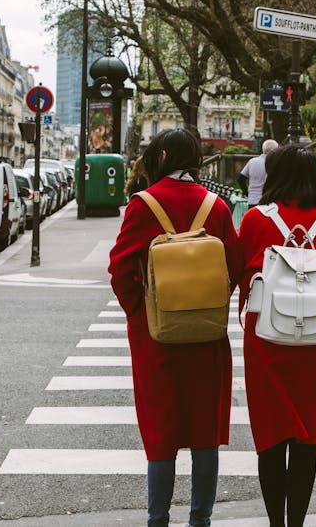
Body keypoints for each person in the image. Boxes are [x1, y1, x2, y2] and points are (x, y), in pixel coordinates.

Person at [108, 128, 243, 527]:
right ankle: (200, 519)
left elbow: (119, 270)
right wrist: (208, 304)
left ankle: (158, 519)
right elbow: (234, 264)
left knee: (161, 429)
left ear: (162, 154)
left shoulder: (143, 205)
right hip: (206, 333)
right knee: (205, 430)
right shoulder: (215, 206)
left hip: (156, 337)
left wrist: (142, 312)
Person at [237, 144, 316, 527]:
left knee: (271, 433)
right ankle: (296, 524)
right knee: (307, 434)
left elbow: (242, 275)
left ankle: (275, 523)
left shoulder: (256, 218)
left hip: (266, 339)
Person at [237, 139, 278, 206]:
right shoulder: (275, 164)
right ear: (274, 151)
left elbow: (240, 179)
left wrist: (248, 193)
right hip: (267, 202)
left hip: (252, 201)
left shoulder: (252, 161)